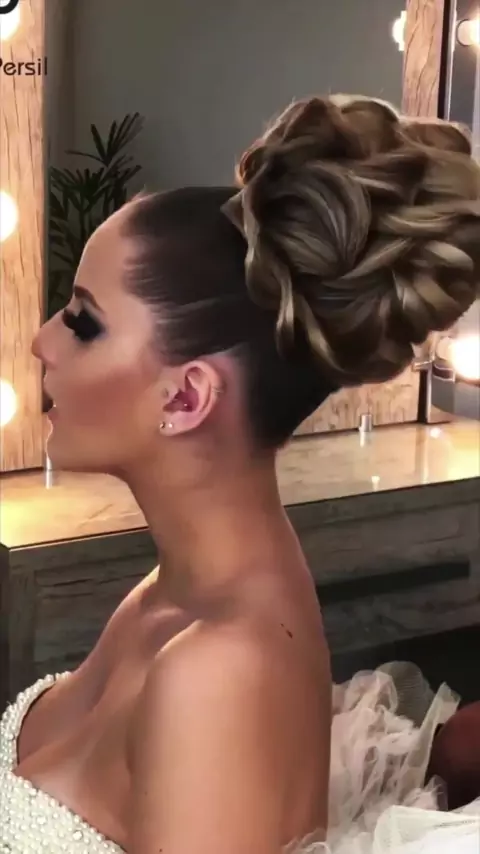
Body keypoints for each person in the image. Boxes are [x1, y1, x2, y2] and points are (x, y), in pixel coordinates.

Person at [1, 94, 479, 854]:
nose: (41, 341)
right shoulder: (166, 600)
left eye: (82, 321)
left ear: (186, 397)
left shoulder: (217, 670)